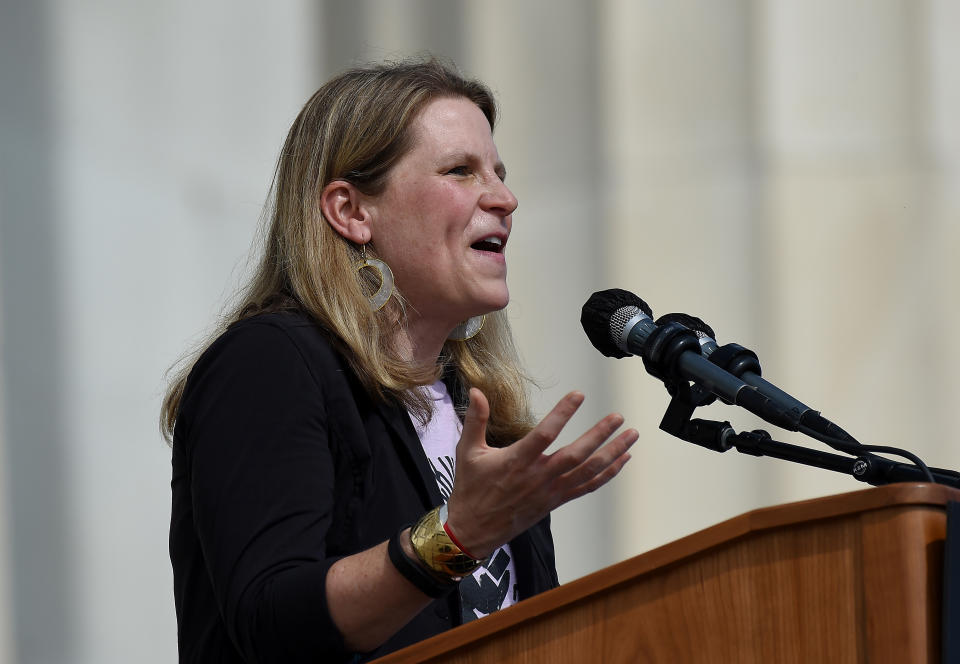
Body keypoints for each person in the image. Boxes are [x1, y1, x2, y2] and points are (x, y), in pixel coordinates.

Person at [161, 58, 637, 663]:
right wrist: (456, 537)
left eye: (498, 172)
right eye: (460, 171)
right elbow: (269, 622)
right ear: (352, 212)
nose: (505, 198)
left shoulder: (478, 413)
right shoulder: (270, 363)